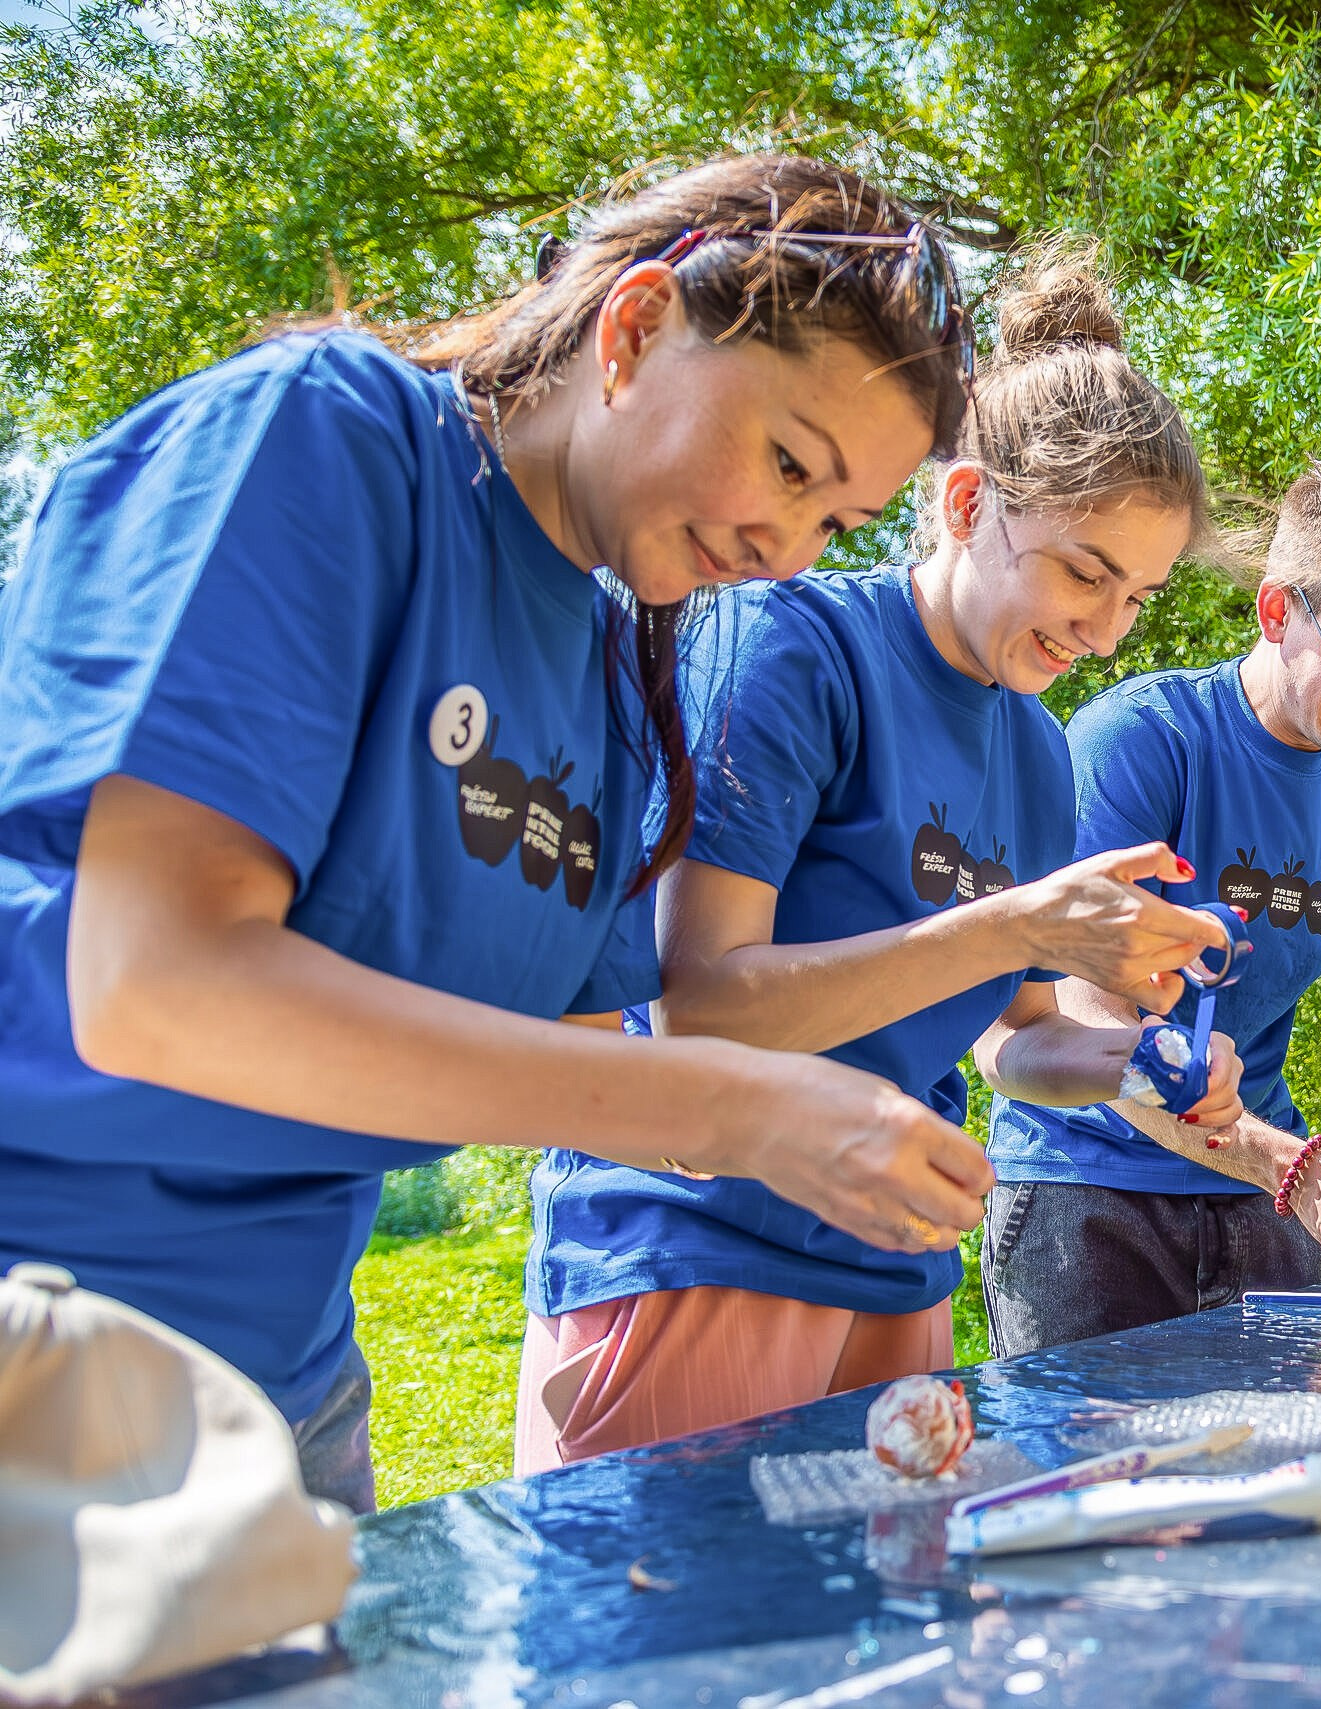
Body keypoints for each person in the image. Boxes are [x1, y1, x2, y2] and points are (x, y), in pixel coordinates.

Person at [0, 155, 991, 1515]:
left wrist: (827, 1141)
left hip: (281, 1382)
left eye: (836, 520)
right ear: (636, 329)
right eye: (786, 462)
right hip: (44, 1334)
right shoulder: (330, 445)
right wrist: (736, 1104)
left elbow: (576, 1077)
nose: (789, 549)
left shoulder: (616, 682)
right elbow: (151, 987)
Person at [515, 248, 1240, 1470]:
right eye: (1083, 571)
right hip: (696, 1244)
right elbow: (698, 1005)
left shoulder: (1037, 751)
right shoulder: (790, 644)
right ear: (965, 507)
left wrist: (1136, 1054)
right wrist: (1019, 925)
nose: (1107, 629)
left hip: (898, 1275)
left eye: (1141, 597)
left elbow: (1009, 1042)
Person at [978, 457, 1321, 1358]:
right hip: (1088, 1190)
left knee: (1280, 1496)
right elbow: (1085, 1010)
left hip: (1263, 1199)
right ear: (1276, 611)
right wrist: (1293, 1168)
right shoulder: (1140, 741)